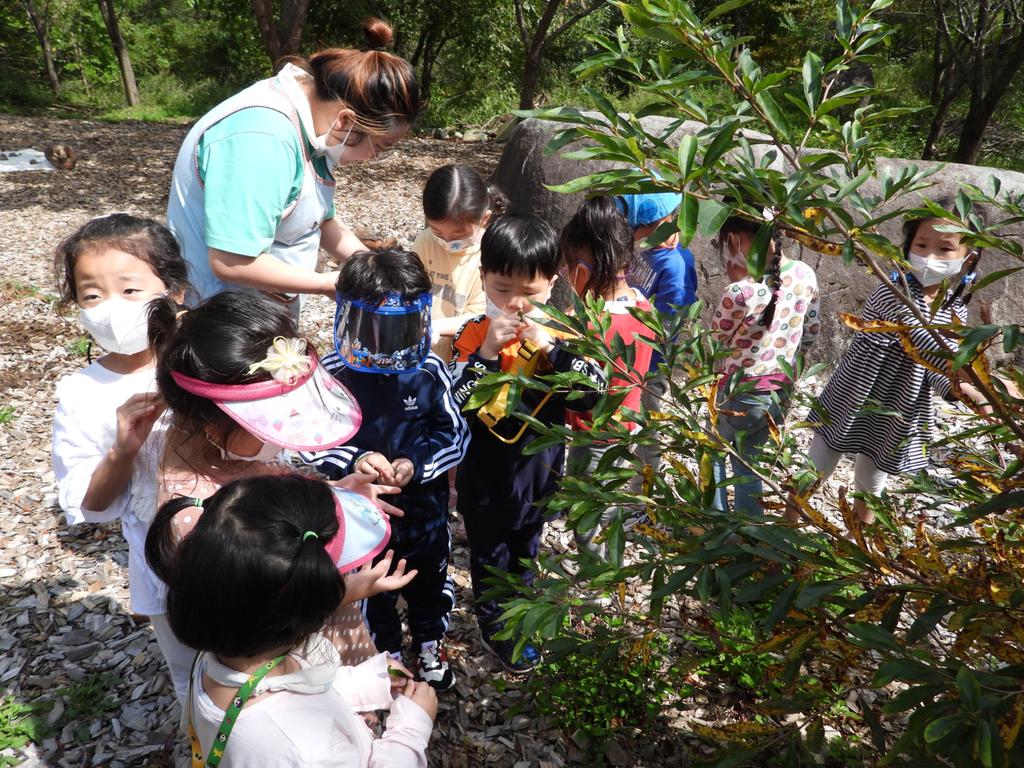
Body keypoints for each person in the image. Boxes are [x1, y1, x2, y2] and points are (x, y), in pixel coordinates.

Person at [149, 290, 405, 693]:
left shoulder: (225, 452)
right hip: (290, 669)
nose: (283, 437)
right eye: (270, 425)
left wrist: (336, 490)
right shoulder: (197, 516)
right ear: (215, 424)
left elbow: (272, 501)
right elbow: (258, 616)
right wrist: (349, 591)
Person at [145, 475, 437, 767]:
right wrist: (411, 728)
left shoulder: (223, 647)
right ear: (310, 613)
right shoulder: (306, 750)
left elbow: (297, 685)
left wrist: (367, 682)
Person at [299, 247, 469, 692]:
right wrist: (356, 461)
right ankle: (387, 653)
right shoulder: (331, 375)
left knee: (429, 583)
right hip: (359, 518)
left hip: (425, 512)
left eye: (399, 328)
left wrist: (417, 464)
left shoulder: (428, 370)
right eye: (374, 327)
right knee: (372, 592)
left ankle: (430, 642)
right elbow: (313, 443)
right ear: (349, 318)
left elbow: (454, 434)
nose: (387, 344)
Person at [167, 18, 419, 314]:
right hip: (219, 317)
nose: (373, 158)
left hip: (263, 311)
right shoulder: (261, 138)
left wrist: (371, 265)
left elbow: (318, 219)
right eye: (380, 148)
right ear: (346, 121)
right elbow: (232, 261)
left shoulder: (317, 127)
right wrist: (328, 283)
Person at [450, 214, 605, 671]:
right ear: (482, 278)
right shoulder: (472, 334)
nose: (515, 304)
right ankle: (496, 623)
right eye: (502, 289)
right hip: (483, 474)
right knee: (489, 553)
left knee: (526, 548)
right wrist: (484, 356)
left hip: (538, 474)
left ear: (553, 285)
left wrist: (552, 350)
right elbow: (453, 402)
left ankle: (522, 613)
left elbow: (592, 394)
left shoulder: (564, 337)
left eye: (530, 293)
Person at [50, 213, 192, 703]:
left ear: (174, 290)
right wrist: (123, 449)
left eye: (130, 290)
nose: (110, 307)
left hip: (247, 546)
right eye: (92, 295)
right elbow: (90, 504)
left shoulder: (208, 358)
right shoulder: (81, 393)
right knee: (190, 672)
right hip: (166, 568)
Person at [803, 207, 991, 524]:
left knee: (872, 483)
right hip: (855, 392)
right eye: (921, 245)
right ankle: (788, 522)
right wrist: (981, 381)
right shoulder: (894, 290)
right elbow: (925, 343)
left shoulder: (953, 307)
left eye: (945, 249)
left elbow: (931, 367)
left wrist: (959, 390)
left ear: (968, 258)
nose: (929, 257)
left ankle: (859, 543)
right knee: (818, 465)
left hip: (899, 405)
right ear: (907, 246)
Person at [559, 197, 655, 557]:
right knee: (607, 501)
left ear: (584, 270)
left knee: (583, 510)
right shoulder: (643, 305)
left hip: (594, 432)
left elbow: (579, 385)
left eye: (570, 266)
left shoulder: (593, 324)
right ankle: (611, 565)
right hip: (627, 426)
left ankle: (597, 572)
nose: (566, 274)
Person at [709, 207, 819, 516]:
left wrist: (735, 282)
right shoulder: (805, 274)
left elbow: (715, 342)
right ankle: (750, 528)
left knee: (712, 451)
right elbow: (810, 333)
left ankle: (715, 522)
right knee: (750, 462)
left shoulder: (739, 292)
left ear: (734, 240)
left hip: (737, 391)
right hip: (779, 391)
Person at [616, 190, 699, 474]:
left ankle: (644, 487)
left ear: (657, 223)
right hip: (628, 350)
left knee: (648, 426)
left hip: (650, 362)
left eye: (633, 227)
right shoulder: (647, 249)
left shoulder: (676, 266)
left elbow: (670, 324)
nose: (630, 233)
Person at [410, 164, 507, 360]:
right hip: (424, 354)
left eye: (458, 235)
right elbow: (408, 287)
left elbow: (482, 317)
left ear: (484, 219)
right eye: (438, 232)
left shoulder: (492, 253)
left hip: (466, 359)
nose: (447, 242)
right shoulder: (426, 241)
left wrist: (434, 326)